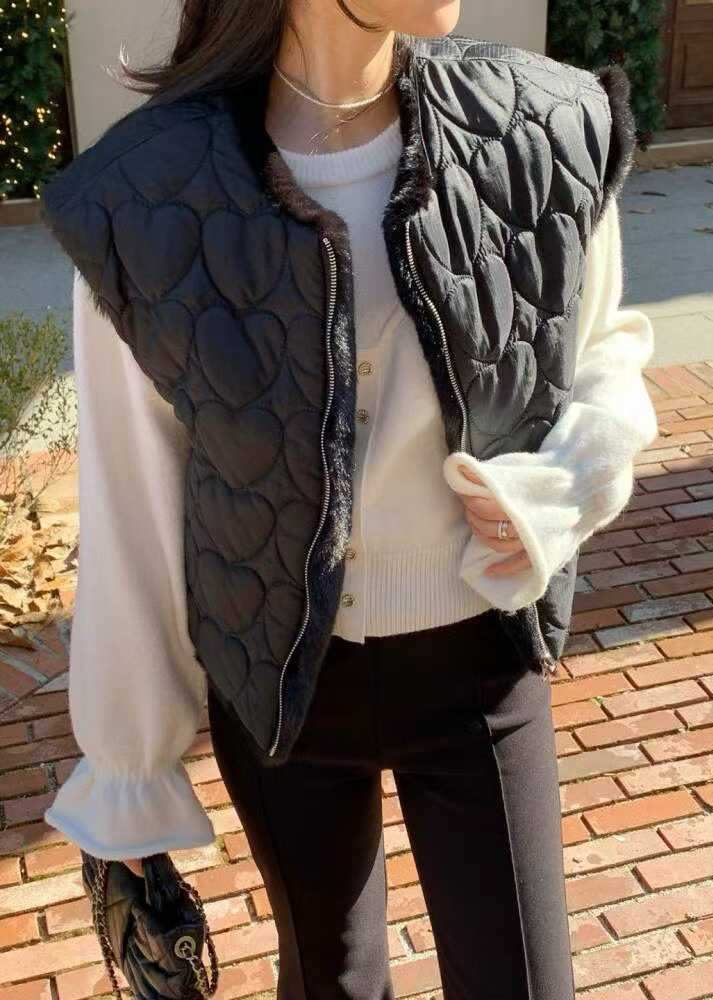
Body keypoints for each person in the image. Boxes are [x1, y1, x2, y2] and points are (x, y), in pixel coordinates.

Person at [40, 2, 659, 997]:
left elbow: (602, 351)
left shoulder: (544, 124)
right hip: (281, 685)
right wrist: (128, 769)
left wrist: (558, 492)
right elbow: (134, 505)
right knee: (330, 982)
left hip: (482, 660)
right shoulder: (149, 195)